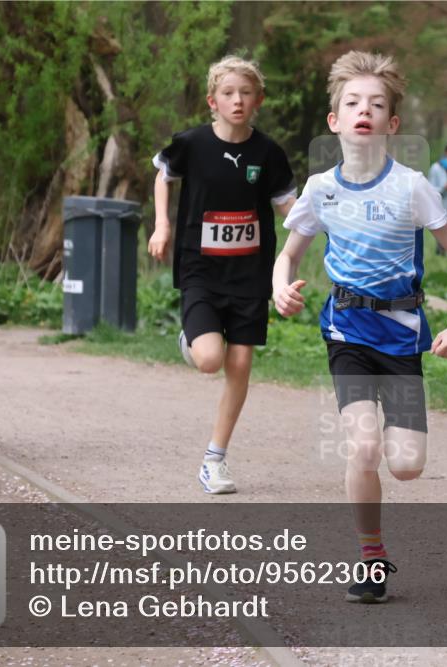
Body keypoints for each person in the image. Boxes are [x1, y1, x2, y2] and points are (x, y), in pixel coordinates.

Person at [273, 51, 447, 603]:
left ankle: (390, 481)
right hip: (347, 334)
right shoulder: (320, 189)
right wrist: (279, 286)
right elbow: (287, 254)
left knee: (406, 466)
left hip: (403, 337)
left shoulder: (411, 187)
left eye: (377, 103)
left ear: (393, 123)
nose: (365, 110)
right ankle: (370, 557)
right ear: (335, 120)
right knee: (362, 447)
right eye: (353, 102)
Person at [147, 56, 296, 495]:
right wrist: (162, 224)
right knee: (210, 359)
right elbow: (163, 174)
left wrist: (323, 220)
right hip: (201, 268)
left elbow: (288, 204)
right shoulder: (192, 144)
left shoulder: (267, 153)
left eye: (246, 93)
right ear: (213, 101)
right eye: (229, 93)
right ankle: (191, 340)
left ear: (258, 101)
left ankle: (215, 459)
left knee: (241, 363)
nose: (237, 100)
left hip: (251, 271)